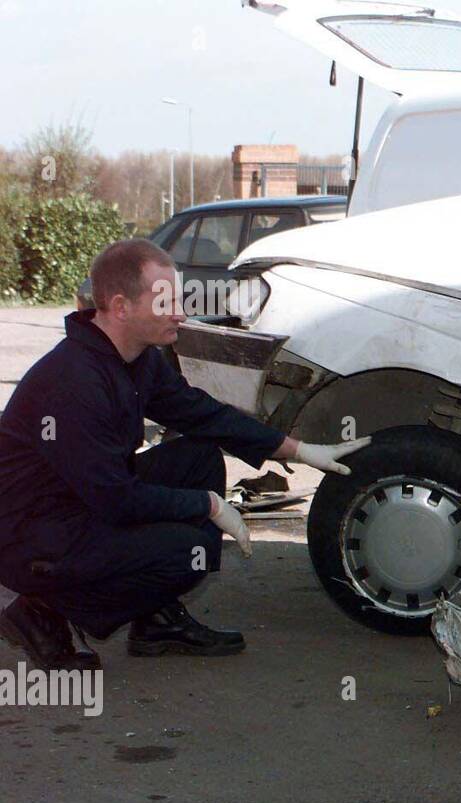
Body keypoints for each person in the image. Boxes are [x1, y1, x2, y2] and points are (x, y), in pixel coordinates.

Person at [0, 239, 369, 670]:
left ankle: (154, 619)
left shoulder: (134, 358)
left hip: (81, 503)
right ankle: (43, 610)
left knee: (198, 457)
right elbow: (116, 500)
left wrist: (301, 450)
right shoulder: (74, 382)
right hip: (31, 536)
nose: (181, 311)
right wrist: (208, 504)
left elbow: (202, 414)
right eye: (166, 301)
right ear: (120, 307)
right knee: (190, 550)